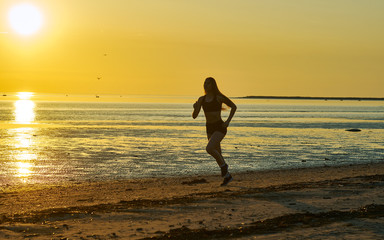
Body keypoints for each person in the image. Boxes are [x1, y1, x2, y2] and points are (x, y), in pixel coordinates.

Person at [192, 77, 237, 186]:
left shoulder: (218, 97)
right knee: (218, 155)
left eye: (208, 83)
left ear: (213, 85)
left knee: (209, 148)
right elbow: (194, 116)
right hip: (209, 128)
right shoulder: (201, 99)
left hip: (219, 127)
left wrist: (228, 122)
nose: (206, 85)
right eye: (205, 83)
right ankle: (227, 177)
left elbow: (234, 107)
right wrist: (195, 107)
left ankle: (224, 167)